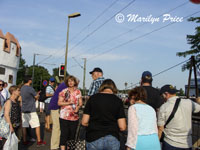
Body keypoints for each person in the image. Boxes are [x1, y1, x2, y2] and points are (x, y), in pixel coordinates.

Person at [82, 79, 126, 150]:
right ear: (114, 88)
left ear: (102, 87)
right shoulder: (118, 101)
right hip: (112, 138)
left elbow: (84, 122)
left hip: (93, 137)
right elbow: (122, 127)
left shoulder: (92, 99)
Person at [158, 84, 200, 150]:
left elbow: (160, 128)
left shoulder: (164, 107)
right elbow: (198, 108)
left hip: (170, 142)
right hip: (187, 143)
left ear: (166, 94)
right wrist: (198, 102)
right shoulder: (188, 102)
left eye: (161, 96)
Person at [58, 75, 83, 150]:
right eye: (69, 81)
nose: (70, 82)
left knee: (72, 135)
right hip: (64, 116)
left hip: (74, 117)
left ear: (75, 82)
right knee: (64, 134)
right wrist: (68, 103)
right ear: (67, 82)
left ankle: (69, 148)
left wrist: (78, 108)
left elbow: (80, 103)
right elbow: (59, 103)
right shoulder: (64, 91)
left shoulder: (78, 91)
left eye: (72, 81)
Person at [20, 76, 46, 146]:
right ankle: (39, 141)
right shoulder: (30, 88)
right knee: (37, 125)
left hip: (24, 109)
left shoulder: (22, 88)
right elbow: (36, 96)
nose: (31, 80)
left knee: (24, 126)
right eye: (31, 79)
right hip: (31, 109)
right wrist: (37, 95)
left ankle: (25, 140)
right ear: (29, 81)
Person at [49, 81, 67, 150]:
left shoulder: (63, 84)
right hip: (56, 107)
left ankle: (57, 144)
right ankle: (54, 146)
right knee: (57, 127)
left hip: (55, 106)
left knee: (58, 127)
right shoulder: (66, 86)